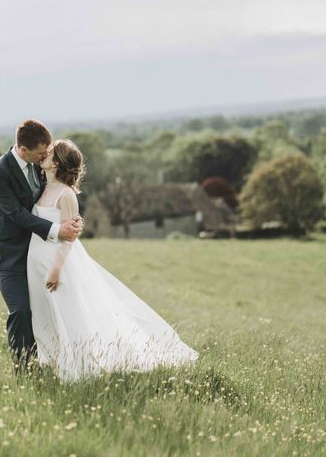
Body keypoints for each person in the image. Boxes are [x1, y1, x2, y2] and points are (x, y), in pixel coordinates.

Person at [27, 139, 199, 382]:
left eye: (51, 151)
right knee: (45, 313)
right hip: (36, 261)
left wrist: (56, 269)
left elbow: (69, 239)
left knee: (68, 313)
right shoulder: (43, 185)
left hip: (57, 264)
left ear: (56, 163)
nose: (44, 153)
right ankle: (53, 361)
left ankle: (79, 366)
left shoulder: (66, 195)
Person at [0, 120, 83, 374]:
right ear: (22, 150)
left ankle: (49, 362)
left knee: (44, 311)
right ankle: (24, 371)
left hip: (39, 253)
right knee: (20, 311)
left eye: (47, 152)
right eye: (41, 153)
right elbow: (16, 213)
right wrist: (57, 230)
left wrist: (72, 219)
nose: (45, 155)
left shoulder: (41, 168)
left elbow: (60, 195)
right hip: (9, 254)